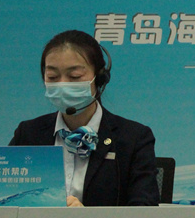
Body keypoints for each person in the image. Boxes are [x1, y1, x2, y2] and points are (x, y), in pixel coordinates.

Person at [9, 30, 159, 206]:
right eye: (53, 77)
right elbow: (5, 201)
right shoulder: (28, 134)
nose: (62, 84)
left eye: (75, 77)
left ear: (100, 78)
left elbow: (143, 211)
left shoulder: (134, 138)